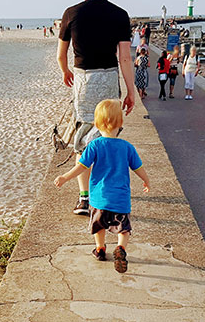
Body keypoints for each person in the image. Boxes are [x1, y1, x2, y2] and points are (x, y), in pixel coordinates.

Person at [57, 0, 136, 216]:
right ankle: (106, 195)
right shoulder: (120, 15)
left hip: (84, 81)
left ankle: (84, 198)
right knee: (108, 135)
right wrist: (130, 90)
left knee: (83, 137)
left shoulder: (71, 13)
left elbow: (61, 55)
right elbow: (125, 57)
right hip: (110, 79)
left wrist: (66, 71)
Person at [55, 99, 150, 273]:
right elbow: (138, 167)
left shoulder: (94, 145)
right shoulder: (127, 147)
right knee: (123, 229)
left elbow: (81, 167)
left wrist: (65, 177)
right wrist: (146, 180)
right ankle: (121, 248)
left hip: (99, 200)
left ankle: (100, 249)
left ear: (96, 124)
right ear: (120, 123)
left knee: (98, 226)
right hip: (120, 200)